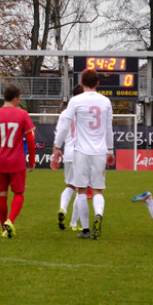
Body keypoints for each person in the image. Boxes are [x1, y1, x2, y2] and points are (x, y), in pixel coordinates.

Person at [52, 69, 114, 239]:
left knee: (80, 190)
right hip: (100, 151)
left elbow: (65, 125)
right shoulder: (106, 101)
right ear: (98, 83)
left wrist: (57, 147)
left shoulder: (76, 100)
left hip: (80, 151)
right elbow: (109, 129)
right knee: (97, 190)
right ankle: (99, 214)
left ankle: (86, 229)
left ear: (81, 82)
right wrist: (110, 150)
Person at [0, 85, 36, 238]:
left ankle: (4, 229)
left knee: (1, 193)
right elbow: (30, 138)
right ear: (16, 98)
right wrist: (31, 159)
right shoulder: (23, 114)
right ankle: (10, 221)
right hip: (16, 161)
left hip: (0, 161)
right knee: (18, 193)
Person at [53, 84, 84, 231]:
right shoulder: (85, 112)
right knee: (81, 189)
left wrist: (56, 150)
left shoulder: (64, 113)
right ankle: (73, 223)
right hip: (83, 152)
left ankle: (63, 209)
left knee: (69, 186)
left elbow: (60, 133)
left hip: (69, 153)